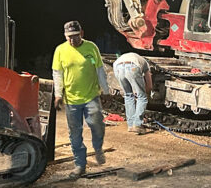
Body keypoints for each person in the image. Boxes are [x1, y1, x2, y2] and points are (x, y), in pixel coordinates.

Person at [52, 20, 111, 178]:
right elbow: (58, 74)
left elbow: (99, 70)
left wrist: (105, 89)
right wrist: (58, 94)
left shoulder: (91, 47)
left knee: (97, 124)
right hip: (72, 100)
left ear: (82, 34)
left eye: (75, 36)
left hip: (91, 96)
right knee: (75, 133)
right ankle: (80, 164)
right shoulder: (60, 51)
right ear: (65, 36)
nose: (72, 40)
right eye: (69, 37)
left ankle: (98, 148)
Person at [112, 52, 153, 134]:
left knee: (128, 95)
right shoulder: (145, 64)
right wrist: (147, 94)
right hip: (132, 66)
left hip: (117, 67)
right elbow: (149, 85)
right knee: (142, 97)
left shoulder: (135, 58)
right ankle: (137, 124)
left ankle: (131, 125)